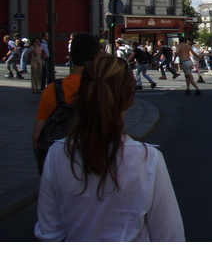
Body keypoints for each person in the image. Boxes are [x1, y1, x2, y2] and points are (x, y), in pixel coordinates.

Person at [34, 53, 185, 241]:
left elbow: (49, 231)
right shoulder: (148, 158)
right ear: (129, 100)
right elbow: (169, 235)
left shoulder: (58, 153)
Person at [32, 33, 102, 151]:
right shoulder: (102, 87)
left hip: (59, 156)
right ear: (98, 56)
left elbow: (36, 136)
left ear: (70, 56)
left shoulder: (52, 89)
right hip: (92, 157)